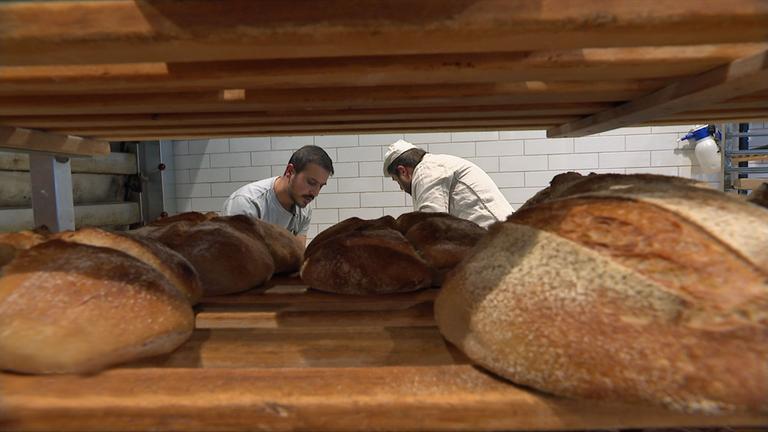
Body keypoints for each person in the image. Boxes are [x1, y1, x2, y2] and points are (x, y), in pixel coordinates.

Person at [383, 139, 513, 228]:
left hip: (496, 241)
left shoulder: (427, 171)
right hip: (497, 237)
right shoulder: (434, 166)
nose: (400, 188)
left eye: (397, 180)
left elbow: (431, 226)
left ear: (403, 171)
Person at [223, 145, 333, 247]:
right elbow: (239, 258)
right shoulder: (247, 203)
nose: (315, 193)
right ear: (290, 171)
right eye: (311, 182)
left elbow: (298, 255)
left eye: (321, 186)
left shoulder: (304, 208)